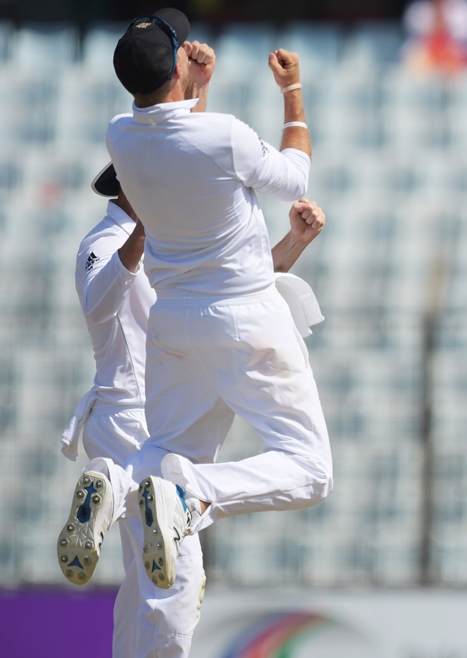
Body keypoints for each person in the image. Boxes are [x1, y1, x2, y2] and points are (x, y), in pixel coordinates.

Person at [56, 6, 330, 596]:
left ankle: (117, 479)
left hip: (175, 323)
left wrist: (194, 87)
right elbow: (295, 174)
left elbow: (180, 141)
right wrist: (292, 92)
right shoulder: (222, 133)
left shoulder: (119, 135)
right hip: (245, 315)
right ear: (176, 67)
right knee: (310, 471)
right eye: (181, 50)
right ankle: (188, 495)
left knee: (163, 451)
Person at [59, 158, 326, 656]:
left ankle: (114, 489)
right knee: (179, 578)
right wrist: (141, 229)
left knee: (144, 584)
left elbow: (237, 298)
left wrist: (294, 242)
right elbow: (98, 303)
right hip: (130, 417)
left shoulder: (169, 239)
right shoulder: (102, 241)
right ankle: (116, 487)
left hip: (164, 414)